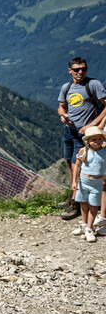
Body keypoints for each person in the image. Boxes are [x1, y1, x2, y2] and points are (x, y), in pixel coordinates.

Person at [58, 57, 106, 220]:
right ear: (70, 71)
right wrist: (63, 115)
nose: (80, 72)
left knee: (77, 164)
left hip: (85, 134)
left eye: (84, 69)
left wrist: (93, 125)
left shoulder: (93, 85)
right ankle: (74, 195)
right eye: (77, 69)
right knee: (69, 164)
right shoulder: (67, 87)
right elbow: (61, 106)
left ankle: (76, 204)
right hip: (69, 131)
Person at [71, 126, 106, 243]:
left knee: (94, 205)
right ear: (88, 141)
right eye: (94, 139)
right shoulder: (83, 151)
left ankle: (89, 228)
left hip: (97, 183)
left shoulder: (104, 151)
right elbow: (77, 165)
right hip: (83, 181)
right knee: (84, 203)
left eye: (99, 139)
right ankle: (84, 224)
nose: (97, 141)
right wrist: (74, 181)